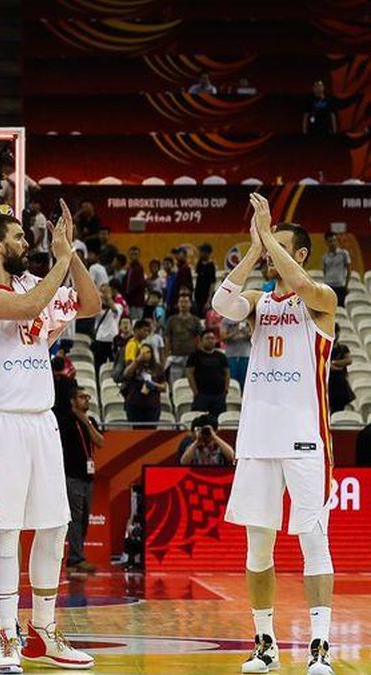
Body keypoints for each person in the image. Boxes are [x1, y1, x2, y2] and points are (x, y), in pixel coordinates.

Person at [0, 200, 99, 672]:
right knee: (7, 530)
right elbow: (27, 307)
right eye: (19, 237)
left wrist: (71, 252)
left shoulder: (33, 281)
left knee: (55, 524)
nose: (26, 243)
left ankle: (45, 629)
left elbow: (92, 303)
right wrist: (58, 262)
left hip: (42, 419)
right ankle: (6, 636)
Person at [212, 192, 337, 674]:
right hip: (258, 440)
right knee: (258, 547)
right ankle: (264, 642)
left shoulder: (320, 300)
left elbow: (303, 284)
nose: (268, 253)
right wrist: (251, 249)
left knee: (313, 540)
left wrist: (268, 237)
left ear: (299, 252)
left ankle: (320, 646)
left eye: (276, 246)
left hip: (306, 439)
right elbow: (224, 303)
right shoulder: (261, 302)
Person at [57, 382, 103, 573]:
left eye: (88, 398)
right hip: (72, 476)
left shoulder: (90, 420)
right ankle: (76, 558)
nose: (87, 400)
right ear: (73, 400)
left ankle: (76, 556)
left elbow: (100, 441)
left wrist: (86, 422)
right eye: (83, 397)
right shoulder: (66, 421)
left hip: (87, 477)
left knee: (84, 518)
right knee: (75, 518)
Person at [186, 328, 230, 418]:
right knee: (199, 420)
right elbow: (189, 373)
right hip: (202, 395)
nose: (210, 340)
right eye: (207, 338)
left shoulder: (221, 356)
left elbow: (227, 373)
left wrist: (225, 389)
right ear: (201, 341)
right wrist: (195, 391)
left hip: (219, 395)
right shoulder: (194, 356)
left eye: (212, 338)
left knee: (218, 420)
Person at [123, 345, 166, 426]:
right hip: (134, 404)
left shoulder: (158, 367)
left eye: (148, 352)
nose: (145, 354)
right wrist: (137, 361)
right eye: (143, 352)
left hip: (152, 405)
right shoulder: (135, 366)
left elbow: (164, 387)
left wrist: (153, 384)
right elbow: (126, 374)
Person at [166, 292, 201, 383]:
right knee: (175, 382)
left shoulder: (195, 320)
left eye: (186, 302)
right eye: (181, 302)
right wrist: (167, 353)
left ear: (190, 304)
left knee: (191, 383)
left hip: (191, 356)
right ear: (177, 304)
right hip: (175, 355)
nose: (183, 304)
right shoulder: (171, 320)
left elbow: (200, 337)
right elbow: (167, 338)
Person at [92, 282, 122, 368]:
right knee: (99, 366)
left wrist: (108, 296)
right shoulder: (97, 308)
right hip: (100, 339)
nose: (103, 295)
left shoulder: (118, 306)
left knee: (113, 365)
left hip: (113, 339)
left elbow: (114, 310)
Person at [221, 313, 253, 391]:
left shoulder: (249, 320)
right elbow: (222, 337)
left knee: (245, 381)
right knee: (232, 381)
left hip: (245, 354)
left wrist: (245, 332)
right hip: (231, 355)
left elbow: (254, 336)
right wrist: (236, 331)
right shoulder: (226, 320)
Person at [328, 324, 354, 414]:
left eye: (336, 332)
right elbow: (326, 365)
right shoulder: (325, 347)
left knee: (339, 409)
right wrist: (333, 365)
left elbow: (349, 360)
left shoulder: (343, 348)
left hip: (340, 383)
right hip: (328, 383)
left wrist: (334, 362)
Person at [321, 233, 351, 307]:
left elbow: (349, 271)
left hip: (340, 286)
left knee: (340, 308)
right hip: (328, 286)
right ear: (326, 243)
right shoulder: (324, 257)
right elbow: (325, 271)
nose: (333, 243)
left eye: (334, 240)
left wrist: (346, 285)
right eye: (330, 241)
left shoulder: (344, 254)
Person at [195, 243, 216, 315]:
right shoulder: (199, 264)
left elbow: (212, 283)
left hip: (206, 296)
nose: (200, 253)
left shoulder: (211, 266)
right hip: (198, 296)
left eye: (202, 251)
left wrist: (208, 300)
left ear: (207, 253)